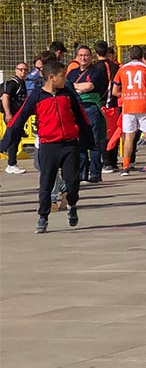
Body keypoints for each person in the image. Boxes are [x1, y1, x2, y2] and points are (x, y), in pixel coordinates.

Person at [0, 60, 95, 233]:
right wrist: (4, 143)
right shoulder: (37, 96)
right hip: (49, 146)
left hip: (70, 145)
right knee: (46, 183)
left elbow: (82, 117)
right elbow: (18, 119)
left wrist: (90, 142)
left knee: (73, 183)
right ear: (52, 77)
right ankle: (43, 217)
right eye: (62, 75)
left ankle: (72, 204)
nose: (65, 78)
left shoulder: (67, 93)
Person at [112, 46, 146, 176]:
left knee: (129, 136)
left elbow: (114, 91)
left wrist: (124, 94)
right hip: (143, 105)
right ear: (142, 57)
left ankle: (125, 167)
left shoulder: (122, 69)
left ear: (129, 56)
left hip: (128, 106)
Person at [66, 45, 108, 183]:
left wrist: (75, 87)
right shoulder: (72, 73)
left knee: (94, 141)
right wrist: (79, 88)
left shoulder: (97, 72)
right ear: (77, 57)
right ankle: (82, 174)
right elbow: (65, 85)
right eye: (81, 55)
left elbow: (90, 86)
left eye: (86, 55)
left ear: (91, 57)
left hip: (91, 108)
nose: (83, 58)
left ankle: (95, 174)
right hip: (76, 109)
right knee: (80, 143)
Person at [94, 41, 122, 173]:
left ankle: (106, 162)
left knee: (103, 134)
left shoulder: (95, 68)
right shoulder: (116, 67)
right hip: (114, 103)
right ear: (108, 52)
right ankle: (113, 160)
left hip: (101, 103)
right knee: (114, 133)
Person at [3, 62, 29, 173]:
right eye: (20, 69)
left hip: (18, 115)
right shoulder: (14, 83)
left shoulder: (22, 83)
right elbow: (5, 97)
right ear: (16, 70)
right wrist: (8, 114)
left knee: (15, 139)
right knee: (11, 139)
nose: (23, 72)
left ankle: (12, 163)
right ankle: (11, 164)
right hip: (12, 115)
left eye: (25, 70)